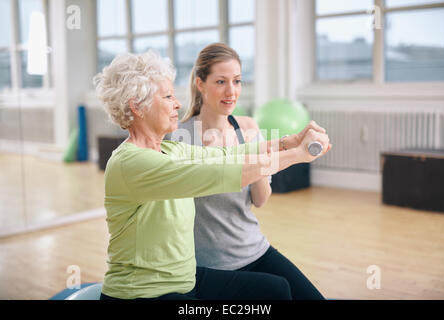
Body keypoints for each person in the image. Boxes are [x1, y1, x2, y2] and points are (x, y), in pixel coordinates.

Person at [93, 49, 331, 300]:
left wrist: (290, 142)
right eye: (167, 96)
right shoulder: (133, 163)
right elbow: (221, 173)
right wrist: (299, 155)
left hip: (186, 280)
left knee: (278, 290)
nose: (177, 103)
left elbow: (231, 155)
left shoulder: (171, 149)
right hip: (143, 293)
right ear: (137, 107)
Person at [169, 43, 327, 300]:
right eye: (220, 81)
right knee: (278, 294)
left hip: (254, 249)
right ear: (200, 83)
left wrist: (258, 158)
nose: (231, 91)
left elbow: (261, 200)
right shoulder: (179, 136)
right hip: (209, 267)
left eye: (237, 81)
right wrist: (294, 154)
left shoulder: (248, 129)